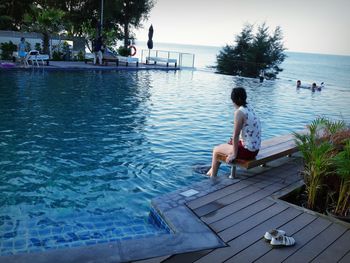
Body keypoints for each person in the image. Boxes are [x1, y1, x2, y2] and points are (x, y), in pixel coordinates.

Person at [206, 87, 261, 177]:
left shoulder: (239, 113)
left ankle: (212, 179)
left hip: (247, 151)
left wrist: (234, 154)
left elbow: (236, 135)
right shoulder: (250, 108)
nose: (232, 103)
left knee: (216, 150)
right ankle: (210, 172)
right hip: (255, 150)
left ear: (236, 100)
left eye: (233, 100)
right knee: (227, 144)